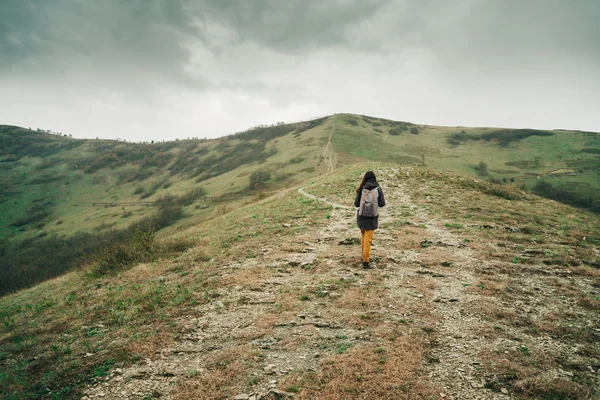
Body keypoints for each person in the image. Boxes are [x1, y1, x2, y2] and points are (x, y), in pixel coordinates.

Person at [354, 171, 385, 269]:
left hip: (361, 217)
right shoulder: (378, 189)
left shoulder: (362, 189)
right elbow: (382, 204)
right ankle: (366, 261)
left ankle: (364, 255)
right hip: (372, 218)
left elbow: (356, 204)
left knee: (363, 236)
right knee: (368, 239)